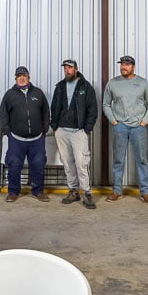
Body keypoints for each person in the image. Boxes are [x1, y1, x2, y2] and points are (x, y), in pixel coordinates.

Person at [103, 55, 148, 203]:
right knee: (118, 160)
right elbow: (106, 104)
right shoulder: (113, 83)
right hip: (120, 126)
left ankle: (145, 192)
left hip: (138, 127)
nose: (123, 67)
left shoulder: (143, 83)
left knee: (142, 160)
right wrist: (113, 121)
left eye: (127, 64)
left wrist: (144, 121)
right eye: (122, 64)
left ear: (133, 66)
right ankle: (116, 190)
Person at [50, 59, 97, 209]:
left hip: (79, 131)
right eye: (65, 68)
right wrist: (55, 127)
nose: (67, 70)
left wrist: (87, 129)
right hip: (62, 131)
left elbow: (92, 109)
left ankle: (87, 193)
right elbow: (54, 107)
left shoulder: (85, 86)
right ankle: (73, 190)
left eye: (69, 68)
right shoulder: (60, 87)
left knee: (81, 163)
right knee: (67, 163)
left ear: (76, 69)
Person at [0, 66, 50, 203]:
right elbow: (3, 114)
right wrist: (7, 131)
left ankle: (38, 191)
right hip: (16, 139)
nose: (22, 78)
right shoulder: (10, 94)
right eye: (19, 76)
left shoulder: (38, 93)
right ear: (16, 78)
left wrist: (45, 128)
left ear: (28, 77)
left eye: (24, 76)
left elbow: (46, 111)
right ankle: (13, 192)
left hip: (37, 139)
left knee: (38, 164)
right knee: (14, 165)